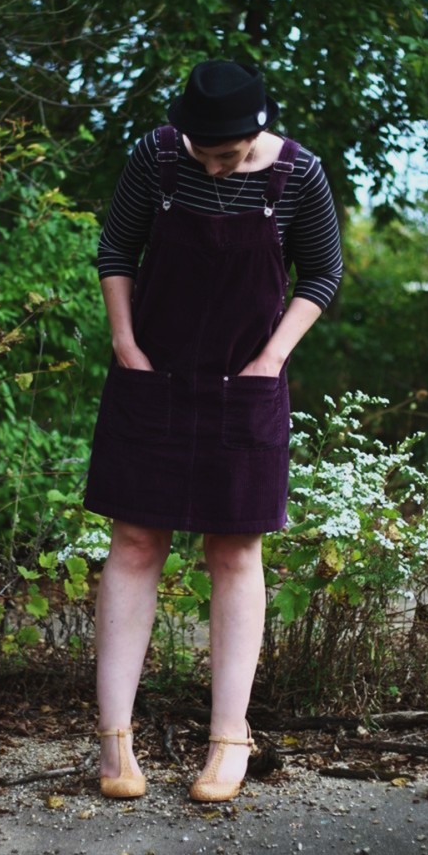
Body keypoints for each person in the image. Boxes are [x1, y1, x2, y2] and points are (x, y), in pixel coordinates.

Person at [84, 60, 342, 802]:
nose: (212, 163)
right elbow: (115, 252)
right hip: (149, 378)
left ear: (258, 129)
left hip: (246, 385)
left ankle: (228, 739)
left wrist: (271, 358)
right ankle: (115, 746)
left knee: (234, 550)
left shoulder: (299, 175)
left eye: (225, 155)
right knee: (134, 544)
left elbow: (321, 274)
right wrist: (126, 346)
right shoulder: (158, 155)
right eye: (203, 150)